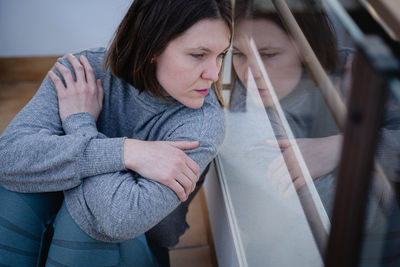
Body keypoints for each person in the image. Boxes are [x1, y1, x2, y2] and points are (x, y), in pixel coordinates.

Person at [0, 0, 232, 266]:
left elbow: (117, 219)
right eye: (198, 55)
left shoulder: (201, 124)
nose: (214, 74)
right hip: (53, 215)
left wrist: (81, 124)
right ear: (152, 45)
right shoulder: (83, 72)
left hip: (130, 249)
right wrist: (127, 151)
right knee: (16, 187)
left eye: (221, 54)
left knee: (87, 221)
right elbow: (7, 158)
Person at [229, 0, 346, 214]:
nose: (249, 75)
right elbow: (362, 214)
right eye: (239, 55)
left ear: (304, 48)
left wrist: (342, 147)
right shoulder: (251, 126)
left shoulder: (351, 70)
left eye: (269, 55)